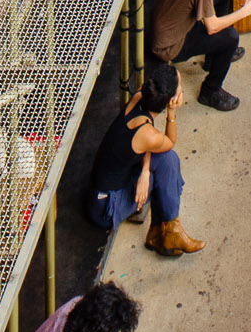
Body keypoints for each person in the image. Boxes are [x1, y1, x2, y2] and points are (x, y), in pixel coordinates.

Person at [84, 65, 201, 257]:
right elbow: (169, 142)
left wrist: (145, 171)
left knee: (163, 162)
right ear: (170, 100)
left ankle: (165, 231)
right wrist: (172, 113)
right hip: (104, 208)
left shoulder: (140, 96)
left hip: (101, 191)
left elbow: (145, 142)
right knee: (166, 167)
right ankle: (166, 233)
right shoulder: (148, 135)